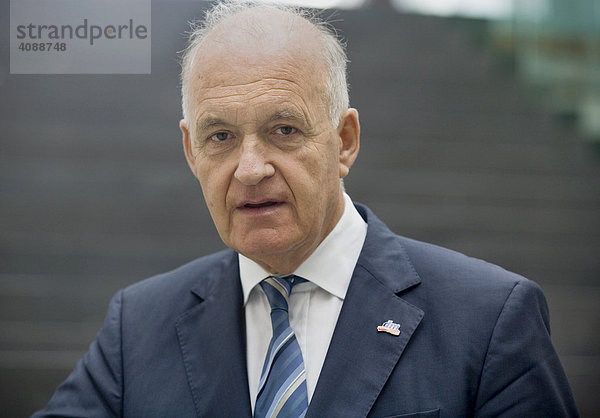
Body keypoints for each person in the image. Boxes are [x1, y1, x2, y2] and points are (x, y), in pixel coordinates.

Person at [34, 1, 578, 417]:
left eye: (284, 130)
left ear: (344, 141)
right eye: (220, 135)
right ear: (190, 152)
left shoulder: (489, 321)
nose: (250, 168)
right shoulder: (139, 326)